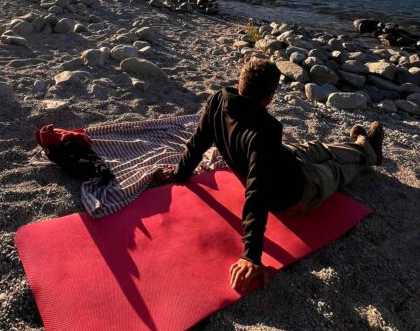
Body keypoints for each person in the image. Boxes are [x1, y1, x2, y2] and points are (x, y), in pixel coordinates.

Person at [154, 57, 384, 295]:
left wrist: (180, 174)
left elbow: (197, 142)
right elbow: (257, 192)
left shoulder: (217, 101)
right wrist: (250, 255)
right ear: (269, 98)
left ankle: (360, 144)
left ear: (240, 82)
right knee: (334, 170)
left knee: (317, 149)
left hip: (285, 160)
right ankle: (369, 153)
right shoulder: (265, 129)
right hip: (297, 192)